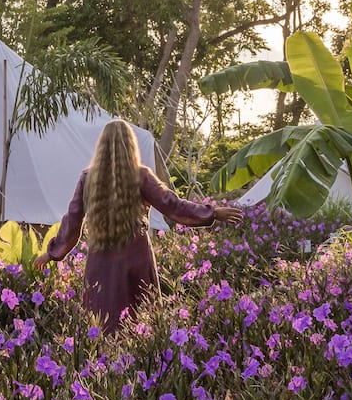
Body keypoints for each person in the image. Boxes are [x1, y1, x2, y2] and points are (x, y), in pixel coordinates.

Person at [32, 119, 243, 334]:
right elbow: (173, 206)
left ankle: (104, 367)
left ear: (101, 146)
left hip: (101, 263)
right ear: (130, 144)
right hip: (136, 259)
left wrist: (53, 253)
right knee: (140, 324)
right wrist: (213, 212)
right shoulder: (141, 176)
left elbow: (73, 219)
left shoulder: (88, 178)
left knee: (103, 324)